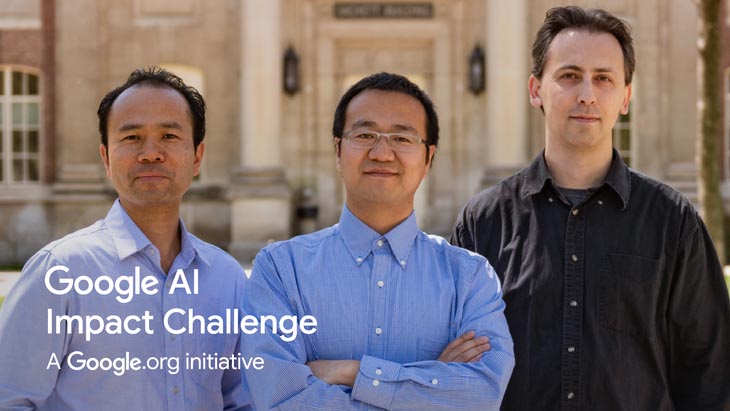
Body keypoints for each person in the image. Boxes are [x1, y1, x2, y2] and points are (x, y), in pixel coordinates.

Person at [452, 6, 730, 410]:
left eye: (603, 78)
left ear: (625, 97)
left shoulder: (673, 223)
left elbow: (712, 376)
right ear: (536, 90)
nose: (586, 94)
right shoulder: (483, 223)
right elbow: (456, 371)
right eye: (569, 76)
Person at [240, 72, 514, 410]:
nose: (382, 153)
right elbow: (279, 398)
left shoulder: (470, 277)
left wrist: (352, 372)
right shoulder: (281, 270)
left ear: (428, 158)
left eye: (402, 138)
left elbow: (482, 394)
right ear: (338, 150)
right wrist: (433, 384)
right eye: (365, 134)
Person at [0, 67, 250, 410]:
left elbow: (240, 401)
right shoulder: (60, 272)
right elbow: (10, 399)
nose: (150, 152)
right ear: (106, 157)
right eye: (131, 137)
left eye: (169, 136)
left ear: (197, 157)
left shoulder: (227, 277)